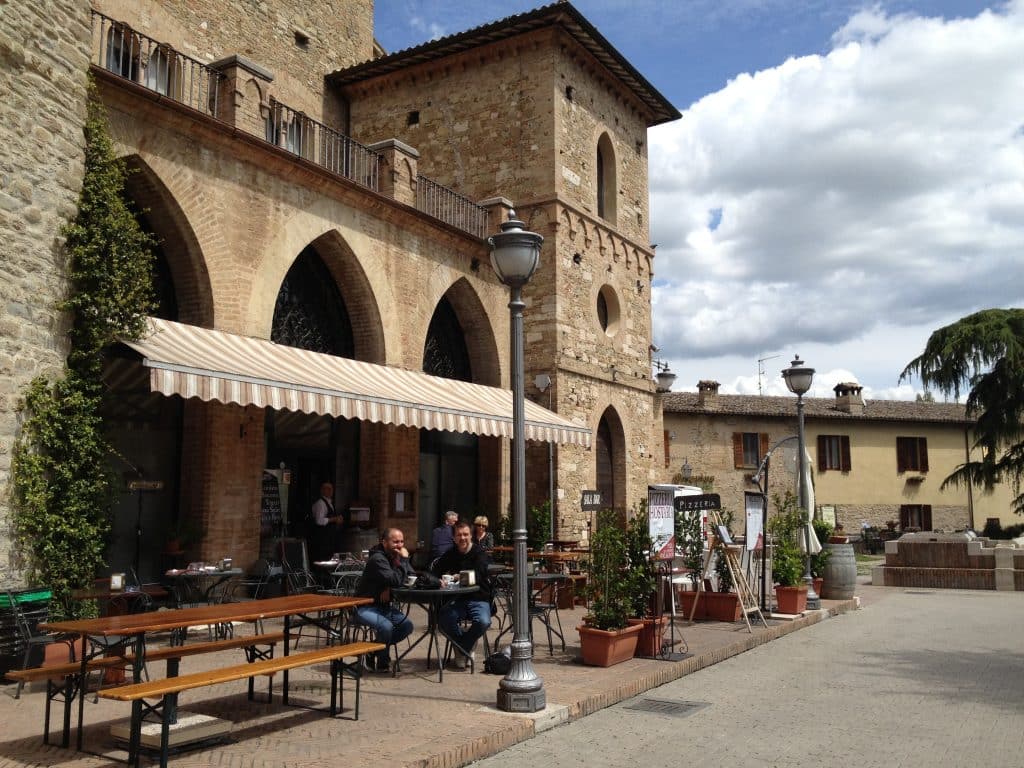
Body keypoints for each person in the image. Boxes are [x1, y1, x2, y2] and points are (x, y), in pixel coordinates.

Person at [353, 527, 416, 672]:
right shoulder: (378, 559)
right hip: (364, 607)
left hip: (384, 607)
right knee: (386, 627)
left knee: (407, 626)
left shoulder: (395, 557)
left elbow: (410, 576)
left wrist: (388, 586)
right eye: (395, 542)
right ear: (384, 542)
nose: (399, 545)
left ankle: (372, 650)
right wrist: (404, 560)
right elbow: (394, 579)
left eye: (401, 542)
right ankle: (383, 663)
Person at [431, 520, 491, 668]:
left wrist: (460, 576)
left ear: (471, 536)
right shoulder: (450, 554)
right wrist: (438, 580)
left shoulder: (479, 553)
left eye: (466, 534)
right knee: (444, 618)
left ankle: (461, 648)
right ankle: (466, 647)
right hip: (456, 599)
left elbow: (479, 574)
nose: (462, 538)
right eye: (459, 535)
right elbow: (433, 573)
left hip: (478, 598)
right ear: (454, 538)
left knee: (483, 621)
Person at [309, 481, 345, 560]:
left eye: (331, 489)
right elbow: (319, 520)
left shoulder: (330, 503)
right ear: (322, 490)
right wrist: (334, 519)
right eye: (327, 489)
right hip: (322, 539)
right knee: (322, 559)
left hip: (329, 539)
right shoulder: (320, 503)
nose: (330, 491)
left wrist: (337, 520)